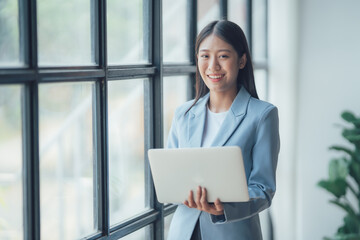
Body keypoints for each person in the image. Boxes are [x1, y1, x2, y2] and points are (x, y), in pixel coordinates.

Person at [166, 20, 280, 240]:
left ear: (242, 60)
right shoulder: (183, 114)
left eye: (224, 56)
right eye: (205, 55)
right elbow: (170, 178)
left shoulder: (262, 115)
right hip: (183, 232)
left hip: (233, 233)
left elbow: (263, 189)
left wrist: (225, 207)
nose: (213, 66)